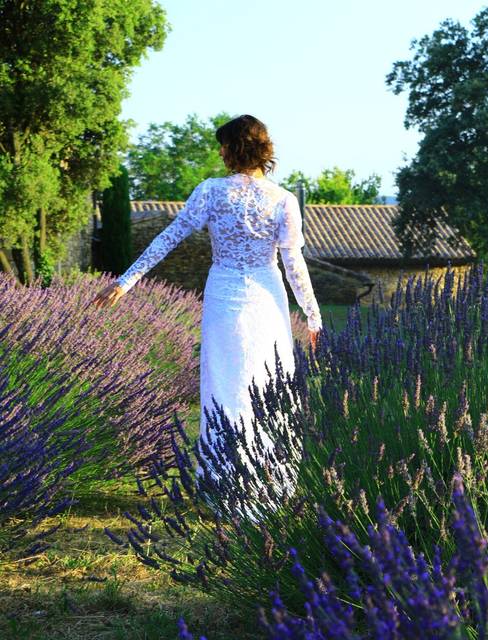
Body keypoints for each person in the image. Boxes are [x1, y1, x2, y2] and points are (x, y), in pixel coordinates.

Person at [92, 114, 321, 515]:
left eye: (222, 145)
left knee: (226, 385)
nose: (218, 152)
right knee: (267, 384)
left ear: (235, 148)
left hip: (228, 297)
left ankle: (225, 488)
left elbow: (169, 237)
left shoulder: (211, 192)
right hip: (267, 298)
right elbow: (294, 265)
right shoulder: (284, 199)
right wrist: (314, 318)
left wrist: (125, 281)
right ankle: (266, 487)